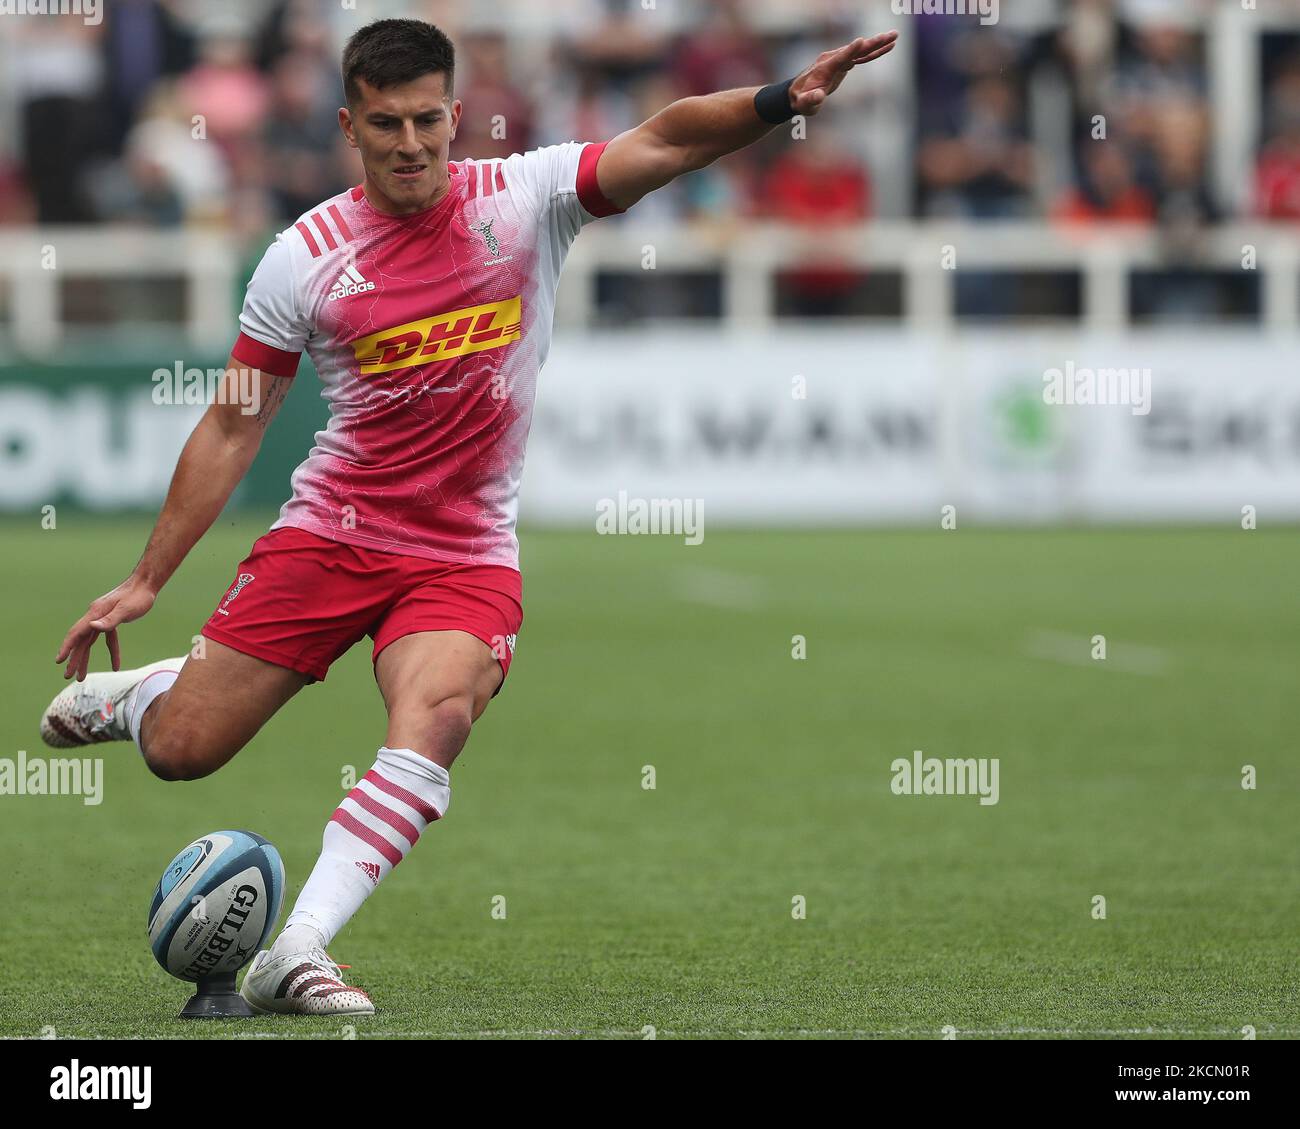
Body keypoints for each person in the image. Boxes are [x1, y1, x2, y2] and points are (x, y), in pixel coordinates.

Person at [41, 18, 898, 1016]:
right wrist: (148, 579)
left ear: (455, 114)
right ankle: (150, 697)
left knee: (438, 712)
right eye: (386, 124)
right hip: (332, 534)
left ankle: (298, 948)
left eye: (428, 121)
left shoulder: (525, 199)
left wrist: (772, 99)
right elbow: (234, 426)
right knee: (186, 750)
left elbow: (666, 139)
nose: (411, 144)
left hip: (464, 553)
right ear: (348, 124)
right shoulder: (302, 258)